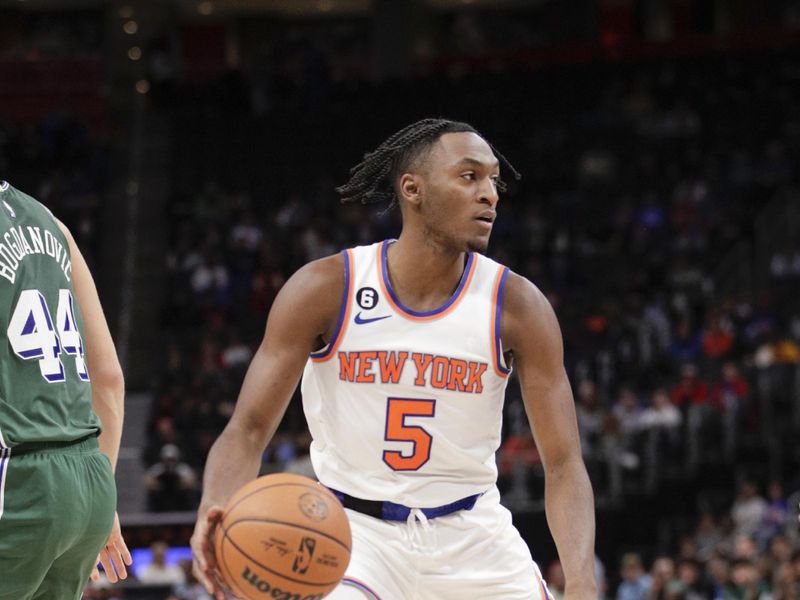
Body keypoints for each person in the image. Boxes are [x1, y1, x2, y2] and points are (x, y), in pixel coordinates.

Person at [191, 118, 597, 599]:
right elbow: (249, 428)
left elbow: (564, 461)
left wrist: (581, 578)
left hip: (473, 534)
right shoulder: (327, 288)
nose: (489, 193)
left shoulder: (518, 306)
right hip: (352, 536)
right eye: (469, 176)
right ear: (413, 189)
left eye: (493, 179)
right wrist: (211, 511)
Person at [0, 181, 131, 599]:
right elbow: (109, 377)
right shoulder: (52, 224)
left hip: (17, 483)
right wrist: (103, 496)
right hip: (87, 479)